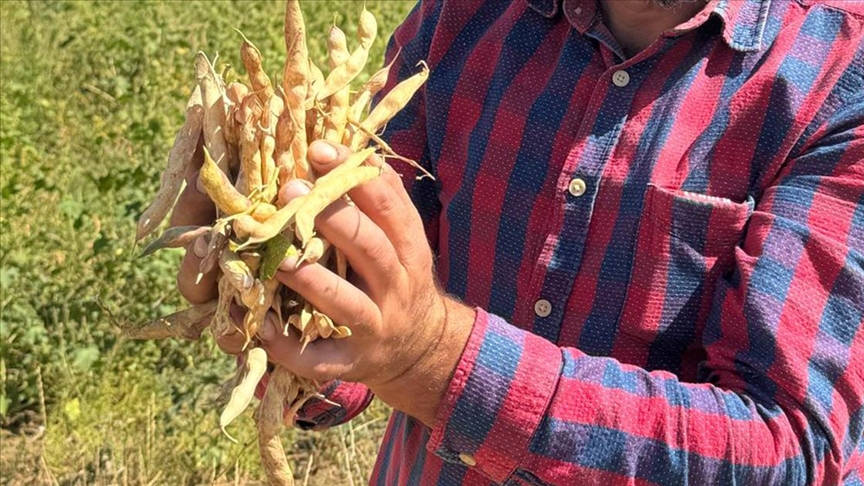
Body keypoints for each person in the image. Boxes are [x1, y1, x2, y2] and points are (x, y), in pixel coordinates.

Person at [174, 0, 864, 484]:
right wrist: (286, 320)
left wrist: (437, 364)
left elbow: (786, 451)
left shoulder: (837, 76)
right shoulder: (465, 18)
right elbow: (365, 306)